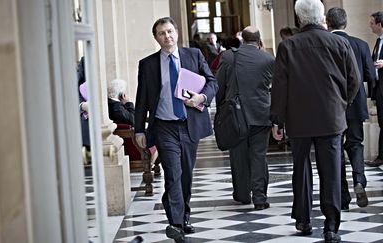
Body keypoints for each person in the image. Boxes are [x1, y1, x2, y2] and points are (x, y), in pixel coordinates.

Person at [270, 0, 360, 242]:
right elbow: (355, 80)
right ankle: (331, 226)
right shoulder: (340, 42)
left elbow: (280, 87)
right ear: (322, 18)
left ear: (299, 19)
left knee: (301, 169)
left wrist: (277, 120)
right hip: (331, 118)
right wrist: (342, 104)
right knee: (330, 171)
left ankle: (303, 219)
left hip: (298, 120)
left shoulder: (288, 45)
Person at [134, 17, 218, 242]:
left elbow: (212, 82)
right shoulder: (148, 64)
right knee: (173, 174)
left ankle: (184, 214)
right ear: (156, 38)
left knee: (186, 175)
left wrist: (202, 97)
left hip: (189, 124)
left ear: (177, 33)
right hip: (164, 127)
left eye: (170, 31)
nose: (167, 36)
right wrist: (139, 130)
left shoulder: (194, 55)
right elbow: (141, 99)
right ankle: (176, 224)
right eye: (162, 33)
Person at [216, 26, 274, 210]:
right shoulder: (268, 59)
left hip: (236, 115)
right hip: (261, 114)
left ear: (242, 39)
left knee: (238, 156)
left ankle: (242, 194)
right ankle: (259, 197)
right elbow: (275, 88)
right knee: (259, 156)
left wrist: (220, 110)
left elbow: (220, 86)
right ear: (259, 40)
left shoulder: (228, 57)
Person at [326, 7, 375, 210]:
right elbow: (370, 76)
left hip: (332, 105)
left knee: (335, 148)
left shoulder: (326, 45)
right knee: (356, 144)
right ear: (345, 23)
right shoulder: (361, 44)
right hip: (356, 103)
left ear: (328, 23)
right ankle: (359, 181)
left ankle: (343, 196)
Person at [365, 11, 383, 167]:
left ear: (380, 24)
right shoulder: (379, 41)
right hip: (379, 89)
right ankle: (381, 156)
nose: (370, 26)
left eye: (372, 23)